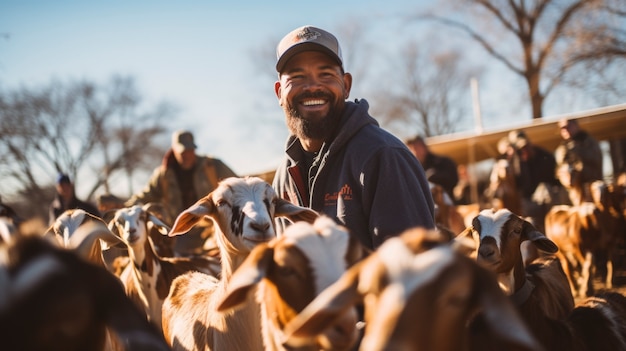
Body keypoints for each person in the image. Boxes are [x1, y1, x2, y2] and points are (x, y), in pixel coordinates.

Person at [271, 25, 435, 250]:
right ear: (280, 92)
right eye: (297, 77)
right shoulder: (283, 178)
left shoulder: (383, 157)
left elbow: (414, 273)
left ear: (346, 85)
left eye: (326, 74)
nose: (312, 86)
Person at [125, 130, 238, 255]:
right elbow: (146, 196)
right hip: (181, 233)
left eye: (190, 150)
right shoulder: (164, 175)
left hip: (213, 229)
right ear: (174, 151)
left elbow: (237, 186)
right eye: (183, 152)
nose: (187, 155)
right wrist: (125, 206)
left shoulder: (212, 165)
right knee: (183, 265)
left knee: (219, 264)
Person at [554, 118, 603, 204]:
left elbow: (596, 163)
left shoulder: (590, 143)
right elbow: (559, 171)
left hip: (591, 184)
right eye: (562, 129)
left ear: (576, 126)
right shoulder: (562, 149)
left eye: (568, 127)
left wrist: (578, 152)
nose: (566, 130)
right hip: (572, 190)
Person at [405, 135, 459, 200]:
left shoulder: (443, 162)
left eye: (417, 147)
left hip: (445, 204)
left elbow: (453, 180)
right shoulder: (411, 168)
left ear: (424, 147)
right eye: (411, 148)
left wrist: (434, 178)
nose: (415, 151)